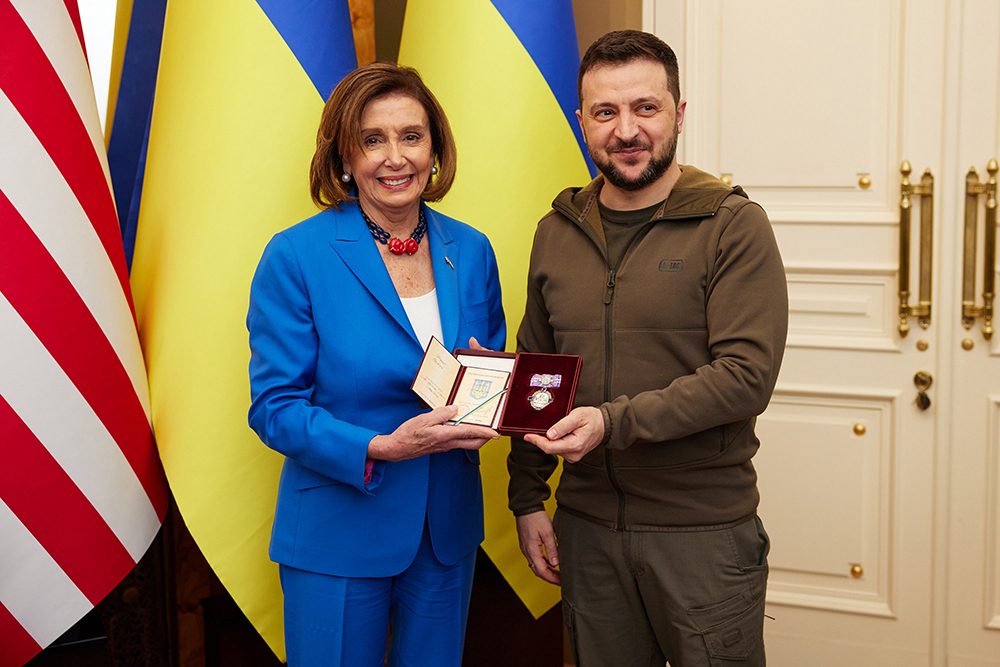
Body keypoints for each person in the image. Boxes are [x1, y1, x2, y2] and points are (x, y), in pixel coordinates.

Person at [507, 30, 788, 666]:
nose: (626, 130)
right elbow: (538, 374)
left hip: (703, 536)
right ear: (582, 122)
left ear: (678, 114)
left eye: (646, 108)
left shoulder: (734, 225)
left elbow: (745, 377)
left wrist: (610, 423)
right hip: (586, 532)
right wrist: (527, 498)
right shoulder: (556, 232)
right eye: (605, 113)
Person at [247, 62, 505, 667]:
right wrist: (380, 447)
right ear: (344, 158)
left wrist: (498, 401)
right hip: (337, 532)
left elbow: (485, 373)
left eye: (411, 137)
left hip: (445, 533)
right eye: (373, 140)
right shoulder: (296, 255)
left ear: (434, 150)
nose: (396, 157)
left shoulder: (470, 250)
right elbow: (275, 409)